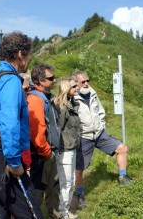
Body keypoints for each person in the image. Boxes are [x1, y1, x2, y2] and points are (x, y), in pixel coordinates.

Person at [0, 31, 43, 218]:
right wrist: (14, 163)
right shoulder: (11, 80)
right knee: (32, 213)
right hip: (7, 158)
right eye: (29, 55)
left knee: (1, 211)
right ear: (20, 53)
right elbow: (10, 123)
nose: (29, 59)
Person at [73, 70, 132, 209]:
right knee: (79, 169)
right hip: (84, 137)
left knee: (122, 149)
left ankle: (123, 177)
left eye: (88, 80)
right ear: (77, 84)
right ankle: (79, 194)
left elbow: (100, 110)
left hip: (100, 134)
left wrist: (102, 125)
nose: (87, 83)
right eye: (83, 82)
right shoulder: (73, 98)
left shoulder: (93, 93)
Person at [27, 64, 62, 218]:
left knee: (54, 186)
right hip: (42, 155)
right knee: (38, 190)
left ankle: (55, 214)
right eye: (50, 78)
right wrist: (45, 151)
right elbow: (36, 130)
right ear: (41, 81)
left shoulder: (47, 97)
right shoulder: (35, 99)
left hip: (51, 152)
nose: (54, 81)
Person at [54, 77, 81, 219]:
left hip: (72, 148)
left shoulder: (72, 104)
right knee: (66, 183)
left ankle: (65, 210)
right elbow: (58, 131)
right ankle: (62, 212)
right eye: (73, 86)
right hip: (64, 151)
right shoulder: (62, 108)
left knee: (71, 182)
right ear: (66, 89)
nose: (77, 88)